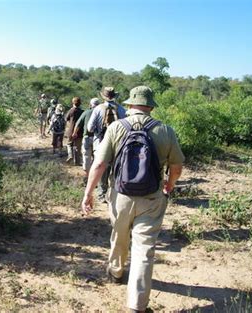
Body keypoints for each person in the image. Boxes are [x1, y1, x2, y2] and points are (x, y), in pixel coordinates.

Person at [81, 86, 184, 313]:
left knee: (119, 235)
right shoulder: (166, 130)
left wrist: (88, 193)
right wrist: (169, 185)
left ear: (129, 105)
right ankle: (137, 306)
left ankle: (116, 271)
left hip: (121, 195)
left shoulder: (116, 127)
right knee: (144, 250)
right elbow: (177, 166)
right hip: (152, 197)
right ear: (151, 106)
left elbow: (99, 164)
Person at [86, 87, 126, 202]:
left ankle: (102, 193)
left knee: (101, 168)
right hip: (118, 144)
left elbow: (90, 127)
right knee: (116, 169)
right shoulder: (122, 110)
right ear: (114, 96)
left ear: (103, 96)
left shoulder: (98, 109)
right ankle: (114, 193)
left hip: (100, 143)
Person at [72, 97, 101, 184]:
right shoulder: (102, 112)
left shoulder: (87, 112)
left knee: (86, 157)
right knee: (97, 158)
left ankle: (87, 177)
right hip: (98, 138)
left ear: (90, 105)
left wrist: (74, 133)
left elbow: (78, 124)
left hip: (87, 137)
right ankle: (96, 178)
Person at [64, 97, 84, 165]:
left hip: (71, 130)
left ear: (73, 103)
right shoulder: (82, 111)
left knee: (69, 144)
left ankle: (70, 155)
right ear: (80, 103)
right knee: (77, 147)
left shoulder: (71, 111)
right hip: (79, 131)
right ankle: (77, 162)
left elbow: (66, 118)